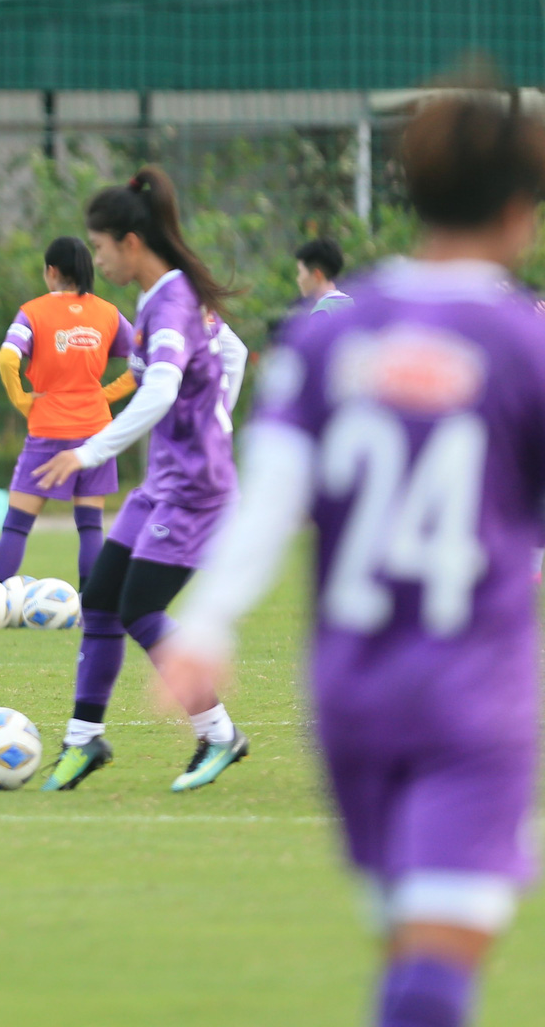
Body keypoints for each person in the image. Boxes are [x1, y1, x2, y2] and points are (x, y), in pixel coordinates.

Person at [164, 92, 545, 1027]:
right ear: (519, 212)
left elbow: (274, 495)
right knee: (436, 970)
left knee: (411, 949)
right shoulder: (524, 344)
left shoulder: (333, 333)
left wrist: (206, 624)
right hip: (472, 685)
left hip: (353, 692)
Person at [32, 168, 252, 793]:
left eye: (99, 247)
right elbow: (229, 353)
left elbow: (159, 390)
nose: (95, 258)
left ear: (130, 242)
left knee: (139, 607)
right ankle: (83, 742)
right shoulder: (161, 296)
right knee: (100, 601)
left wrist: (88, 451)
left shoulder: (174, 299)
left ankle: (218, 734)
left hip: (194, 490)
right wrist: (215, 415)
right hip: (164, 482)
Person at [0, 236, 139, 586]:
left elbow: (6, 356)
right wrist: (107, 395)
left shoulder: (33, 311)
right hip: (97, 431)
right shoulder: (108, 313)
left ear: (52, 271)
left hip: (49, 428)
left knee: (17, 523)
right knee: (90, 525)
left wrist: (21, 398)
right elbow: (145, 360)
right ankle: (91, 606)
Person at [296, 235, 353, 315]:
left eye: (300, 272)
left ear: (317, 275)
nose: (298, 279)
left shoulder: (321, 313)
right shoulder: (352, 304)